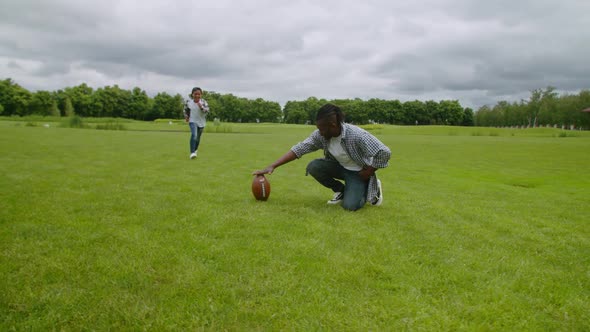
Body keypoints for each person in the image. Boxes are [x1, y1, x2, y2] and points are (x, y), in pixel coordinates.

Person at [253, 103, 391, 211]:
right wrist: (273, 166)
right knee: (314, 167)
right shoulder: (322, 135)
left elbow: (384, 151)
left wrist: (369, 171)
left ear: (333, 125)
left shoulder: (356, 135)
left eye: (321, 128)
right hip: (339, 167)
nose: (319, 132)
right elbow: (300, 148)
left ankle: (372, 188)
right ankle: (342, 191)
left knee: (350, 207)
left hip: (358, 172)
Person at [183, 87, 210, 159]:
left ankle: (195, 150)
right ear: (192, 94)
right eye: (195, 94)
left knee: (197, 138)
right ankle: (192, 153)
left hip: (201, 122)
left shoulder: (203, 102)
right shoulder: (189, 102)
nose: (197, 96)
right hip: (192, 121)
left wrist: (201, 107)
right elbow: (186, 110)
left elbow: (207, 111)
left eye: (199, 94)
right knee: (194, 135)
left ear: (201, 95)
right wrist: (186, 116)